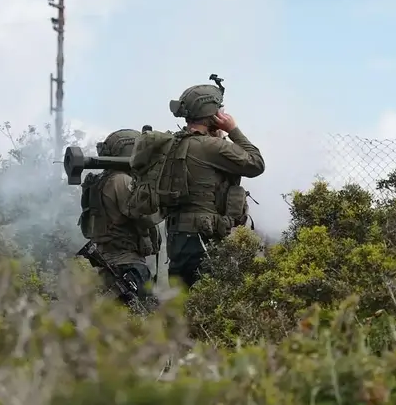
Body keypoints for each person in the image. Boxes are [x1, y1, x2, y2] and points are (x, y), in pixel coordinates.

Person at [146, 83, 265, 289]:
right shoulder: (211, 147)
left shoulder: (173, 144)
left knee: (184, 303)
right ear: (212, 114)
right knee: (210, 303)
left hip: (177, 238)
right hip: (203, 238)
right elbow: (256, 164)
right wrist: (233, 130)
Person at [78, 129, 162, 309]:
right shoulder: (121, 181)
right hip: (128, 264)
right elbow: (148, 216)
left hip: (110, 263)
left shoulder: (101, 181)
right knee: (143, 319)